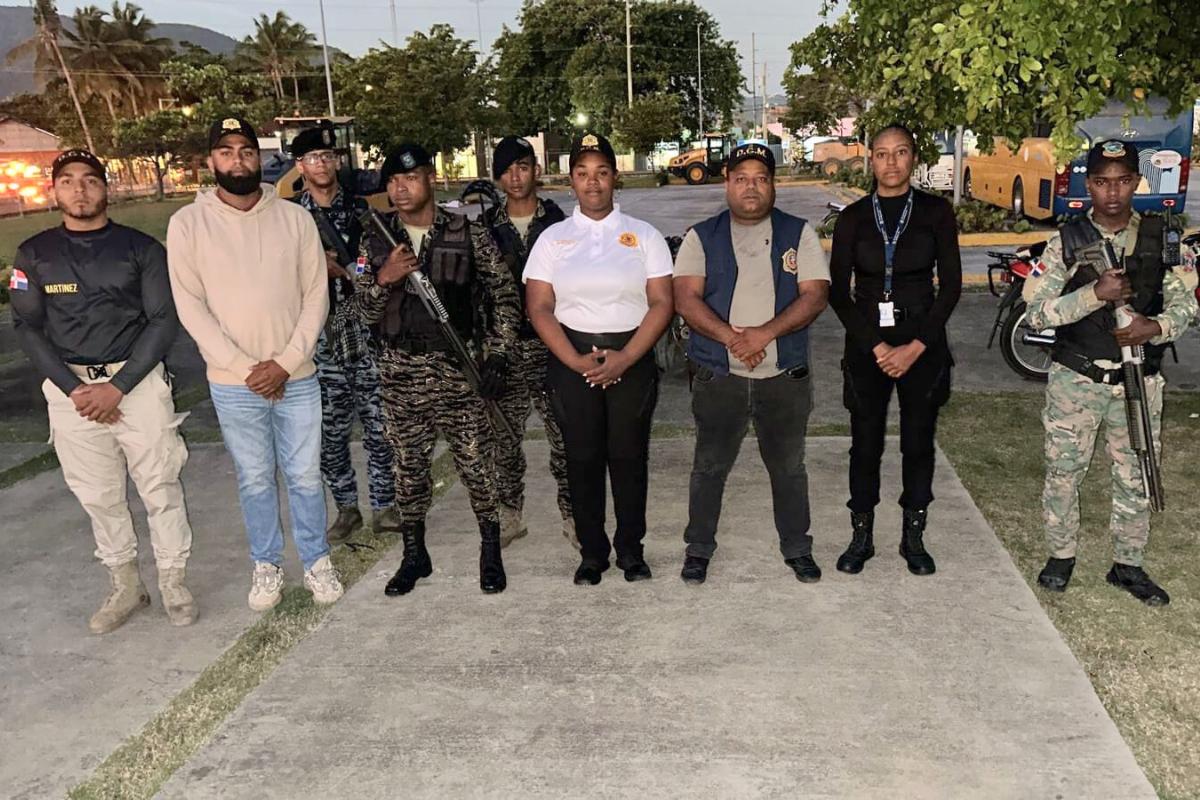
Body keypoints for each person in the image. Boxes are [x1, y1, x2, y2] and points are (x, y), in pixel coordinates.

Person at [11, 149, 196, 634]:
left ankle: (173, 580)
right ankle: (125, 584)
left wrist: (119, 386)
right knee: (98, 494)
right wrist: (75, 389)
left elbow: (163, 320)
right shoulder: (34, 253)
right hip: (71, 391)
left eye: (90, 180)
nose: (80, 189)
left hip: (136, 383)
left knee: (160, 485)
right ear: (54, 190)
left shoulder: (140, 248)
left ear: (105, 187)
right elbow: (28, 327)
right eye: (68, 181)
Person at [167, 116, 344, 611]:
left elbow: (316, 295)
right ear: (211, 160)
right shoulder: (187, 225)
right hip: (233, 383)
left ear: (259, 157)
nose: (238, 160)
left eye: (246, 150)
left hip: (297, 377)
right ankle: (266, 564)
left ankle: (317, 560)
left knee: (305, 476)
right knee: (255, 478)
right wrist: (248, 369)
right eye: (226, 151)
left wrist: (285, 363)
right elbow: (190, 307)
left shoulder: (294, 218)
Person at [1024, 139, 1197, 606]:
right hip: (1077, 380)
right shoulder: (1067, 242)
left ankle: (1128, 565)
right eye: (1102, 182)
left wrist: (1154, 327)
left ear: (1137, 182)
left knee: (1136, 474)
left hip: (1138, 379)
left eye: (1122, 181)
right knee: (1064, 471)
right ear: (1089, 185)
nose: (1113, 192)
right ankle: (1061, 556)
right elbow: (1036, 314)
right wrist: (1093, 295)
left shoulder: (1162, 238)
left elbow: (1186, 304)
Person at [352, 143, 520, 596]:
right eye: (392, 181)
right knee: (408, 469)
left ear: (430, 178)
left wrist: (499, 354)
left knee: (476, 464)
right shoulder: (376, 238)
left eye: (409, 178)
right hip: (399, 373)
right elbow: (361, 312)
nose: (400, 189)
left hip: (458, 370)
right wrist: (384, 279)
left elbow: (504, 295)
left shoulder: (467, 231)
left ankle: (490, 552)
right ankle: (415, 555)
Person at [673, 143, 830, 585]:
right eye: (741, 178)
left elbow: (815, 295)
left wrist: (764, 334)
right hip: (719, 375)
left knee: (789, 468)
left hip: (783, 376)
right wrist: (733, 339)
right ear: (727, 183)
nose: (751, 187)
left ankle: (797, 548)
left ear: (773, 185)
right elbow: (685, 298)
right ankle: (698, 549)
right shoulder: (701, 236)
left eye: (761, 178)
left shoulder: (798, 233)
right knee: (708, 467)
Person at [524, 132, 674, 585]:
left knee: (629, 457)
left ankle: (631, 550)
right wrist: (574, 360)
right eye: (583, 173)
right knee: (582, 458)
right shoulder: (552, 239)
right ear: (571, 180)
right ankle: (592, 554)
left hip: (632, 356)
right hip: (572, 359)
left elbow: (662, 303)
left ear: (615, 177)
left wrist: (626, 357)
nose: (593, 183)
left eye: (602, 172)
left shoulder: (644, 236)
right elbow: (539, 307)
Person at [829, 124, 962, 576]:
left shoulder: (935, 212)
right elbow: (838, 292)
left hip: (923, 342)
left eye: (900, 152)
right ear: (871, 160)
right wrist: (878, 346)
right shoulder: (852, 217)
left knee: (917, 441)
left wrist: (915, 346)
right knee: (865, 443)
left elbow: (951, 287)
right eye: (882, 153)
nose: (891, 162)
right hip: (868, 344)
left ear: (913, 158)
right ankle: (861, 535)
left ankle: (913, 536)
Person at [289, 123, 400, 542]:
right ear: (300, 165)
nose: (322, 164)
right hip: (318, 338)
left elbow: (379, 260)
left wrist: (353, 269)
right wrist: (317, 266)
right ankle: (347, 507)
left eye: (328, 156)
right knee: (329, 433)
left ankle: (384, 506)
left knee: (379, 426)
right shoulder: (289, 218)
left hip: (364, 330)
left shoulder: (361, 210)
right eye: (313, 158)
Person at [481, 135, 573, 549]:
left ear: (536, 170)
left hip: (553, 345)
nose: (515, 177)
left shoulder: (560, 224)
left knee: (565, 436)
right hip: (504, 350)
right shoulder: (484, 228)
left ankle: (573, 515)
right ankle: (510, 515)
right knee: (503, 440)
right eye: (506, 170)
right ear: (497, 178)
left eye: (522, 167)